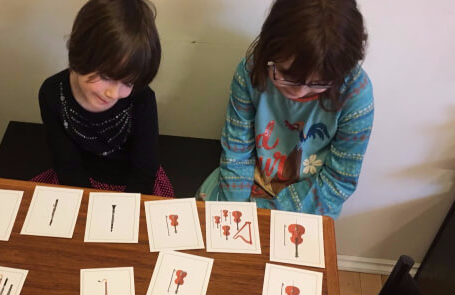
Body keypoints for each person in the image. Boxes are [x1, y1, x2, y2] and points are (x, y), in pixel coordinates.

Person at [197, 0, 374, 218]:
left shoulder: (356, 95)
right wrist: (238, 211)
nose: (299, 92)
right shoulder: (251, 71)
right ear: (269, 49)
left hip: (310, 201)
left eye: (319, 83)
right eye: (287, 76)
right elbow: (237, 153)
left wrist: (263, 215)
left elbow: (337, 182)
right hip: (245, 184)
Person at [35, 0, 173, 197]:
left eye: (128, 83)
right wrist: (88, 205)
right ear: (79, 52)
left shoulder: (142, 98)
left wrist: (126, 208)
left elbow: (145, 169)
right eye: (107, 77)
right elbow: (66, 165)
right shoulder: (51, 93)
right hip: (78, 182)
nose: (113, 94)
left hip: (132, 185)